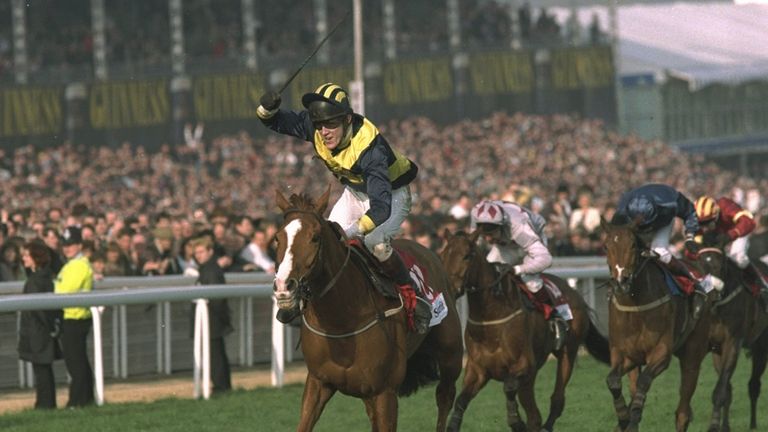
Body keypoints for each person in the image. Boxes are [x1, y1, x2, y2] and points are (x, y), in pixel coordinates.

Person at [257, 82, 430, 333]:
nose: (324, 132)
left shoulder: (371, 150)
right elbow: (275, 122)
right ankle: (301, 298)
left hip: (391, 196)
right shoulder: (318, 127)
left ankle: (413, 296)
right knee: (325, 239)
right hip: (355, 193)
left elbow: (380, 208)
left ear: (347, 119)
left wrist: (352, 231)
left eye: (330, 125)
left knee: (375, 243)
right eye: (319, 125)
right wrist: (267, 108)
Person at [470, 199, 571, 351]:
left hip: (530, 242)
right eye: (485, 234)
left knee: (530, 281)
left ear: (502, 225)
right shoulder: (476, 214)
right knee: (489, 274)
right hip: (505, 244)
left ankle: (555, 318)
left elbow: (546, 259)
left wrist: (518, 269)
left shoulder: (520, 227)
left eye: (491, 233)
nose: (488, 239)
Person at [612, 184, 710, 318]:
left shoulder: (670, 202)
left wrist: (690, 236)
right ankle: (617, 285)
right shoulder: (622, 209)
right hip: (633, 225)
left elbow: (690, 211)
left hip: (662, 222)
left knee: (660, 252)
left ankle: (698, 286)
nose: (646, 229)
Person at [694, 195, 768, 311]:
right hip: (719, 237)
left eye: (708, 222)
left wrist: (730, 235)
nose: (705, 227)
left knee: (739, 258)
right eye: (701, 223)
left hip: (737, 232)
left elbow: (749, 222)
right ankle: (704, 292)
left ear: (716, 213)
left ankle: (762, 286)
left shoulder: (725, 205)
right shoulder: (695, 218)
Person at [17, 240, 62, 409]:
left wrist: (47, 328)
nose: (24, 259)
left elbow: (38, 311)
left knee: (42, 370)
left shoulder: (35, 281)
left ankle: (45, 404)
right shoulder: (43, 277)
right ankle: (45, 403)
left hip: (37, 331)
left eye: (27, 256)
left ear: (36, 258)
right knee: (43, 369)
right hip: (42, 330)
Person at [54, 225, 95, 407]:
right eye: (65, 245)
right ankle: (85, 399)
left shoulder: (78, 265)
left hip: (75, 318)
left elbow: (64, 291)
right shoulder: (73, 264)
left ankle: (77, 401)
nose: (67, 248)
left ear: (79, 245)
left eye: (70, 244)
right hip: (74, 317)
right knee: (79, 361)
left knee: (75, 363)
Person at [192, 236, 233, 394]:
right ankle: (222, 386)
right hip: (212, 317)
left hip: (212, 318)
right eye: (196, 253)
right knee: (216, 353)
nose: (198, 255)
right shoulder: (209, 268)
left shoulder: (210, 269)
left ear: (210, 251)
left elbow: (216, 298)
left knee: (215, 355)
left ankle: (220, 387)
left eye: (201, 252)